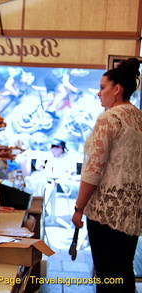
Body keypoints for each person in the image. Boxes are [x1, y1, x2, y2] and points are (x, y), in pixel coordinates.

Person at [72, 58, 142, 293]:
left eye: (102, 87)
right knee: (124, 271)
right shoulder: (138, 118)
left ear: (117, 89)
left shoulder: (109, 118)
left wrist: (79, 208)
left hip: (107, 211)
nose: (98, 93)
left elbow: (93, 170)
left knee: (107, 276)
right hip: (132, 210)